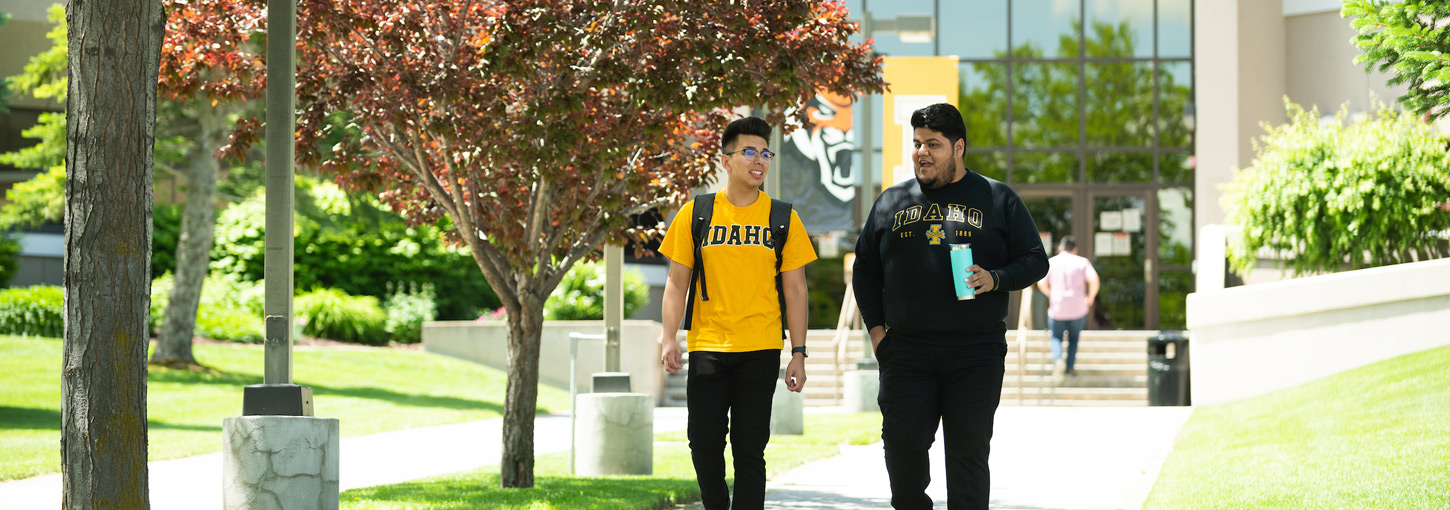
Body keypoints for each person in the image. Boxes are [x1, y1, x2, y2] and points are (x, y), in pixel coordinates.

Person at [853, 103, 1048, 510]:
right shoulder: (892, 200)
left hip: (975, 353)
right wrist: (878, 337)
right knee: (902, 454)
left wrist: (995, 278)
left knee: (967, 459)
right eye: (917, 144)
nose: (922, 153)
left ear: (959, 148)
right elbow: (866, 271)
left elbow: (1035, 259)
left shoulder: (997, 197)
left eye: (934, 145)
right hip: (905, 352)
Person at [657, 116, 816, 510]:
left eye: (765, 153)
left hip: (760, 348)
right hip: (708, 345)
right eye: (749, 152)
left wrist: (799, 352)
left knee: (750, 449)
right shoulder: (697, 213)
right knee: (704, 443)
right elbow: (677, 282)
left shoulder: (782, 217)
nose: (759, 160)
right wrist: (668, 336)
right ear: (726, 161)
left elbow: (795, 288)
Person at [1035, 235, 1100, 384]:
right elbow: (1095, 280)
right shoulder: (1082, 262)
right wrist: (1090, 297)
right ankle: (1070, 368)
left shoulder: (1052, 262)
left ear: (1060, 248)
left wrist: (1051, 294)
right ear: (1075, 249)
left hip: (1057, 307)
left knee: (1056, 337)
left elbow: (1041, 283)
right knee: (1074, 339)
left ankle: (1058, 360)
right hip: (1078, 308)